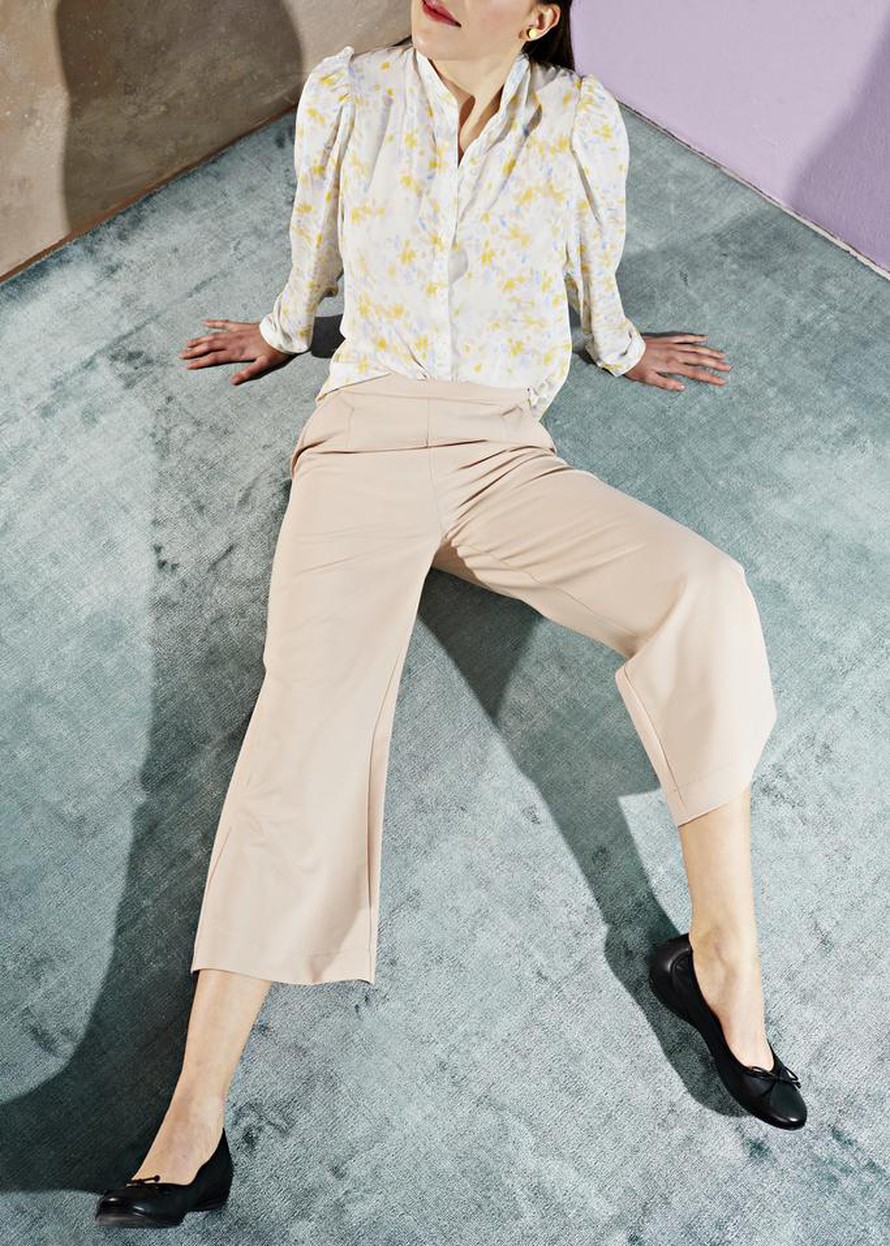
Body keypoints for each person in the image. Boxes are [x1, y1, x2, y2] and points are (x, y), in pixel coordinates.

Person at [95, 0, 807, 1228]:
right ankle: (193, 1119)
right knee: (305, 734)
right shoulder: (348, 91)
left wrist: (619, 348)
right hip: (362, 447)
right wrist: (279, 334)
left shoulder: (577, 117)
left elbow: (590, 262)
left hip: (500, 458)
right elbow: (313, 240)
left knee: (705, 593)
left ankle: (720, 962)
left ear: (538, 13)